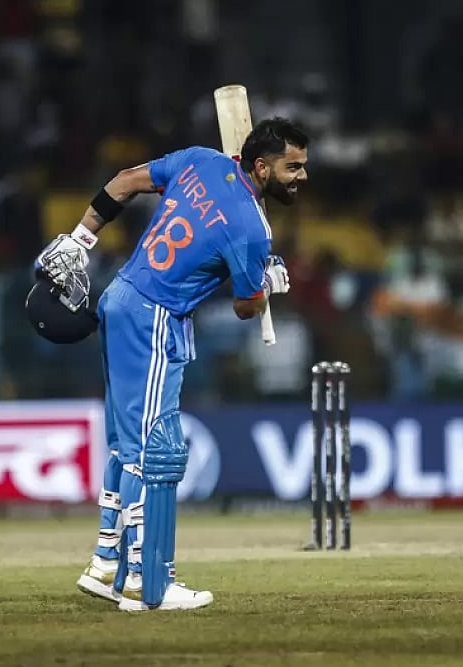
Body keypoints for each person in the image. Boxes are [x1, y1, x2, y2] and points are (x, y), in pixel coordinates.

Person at [34, 118, 308, 611]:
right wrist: (271, 282)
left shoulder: (201, 160)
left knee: (124, 444)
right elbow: (246, 306)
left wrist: (80, 239)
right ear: (262, 168)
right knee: (151, 449)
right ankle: (144, 579)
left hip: (119, 298)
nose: (301, 177)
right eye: (293, 167)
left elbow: (122, 182)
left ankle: (105, 563)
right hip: (156, 317)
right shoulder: (251, 228)